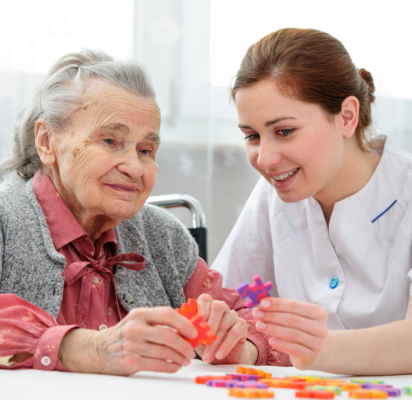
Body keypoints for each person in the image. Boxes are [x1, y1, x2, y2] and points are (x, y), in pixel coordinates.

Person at [212, 28, 412, 374]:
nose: (266, 159)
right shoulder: (275, 193)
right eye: (252, 136)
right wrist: (223, 336)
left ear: (347, 116)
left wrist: (310, 349)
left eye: (284, 131)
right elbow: (227, 301)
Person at [0, 49, 289, 374]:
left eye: (146, 150)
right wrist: (87, 349)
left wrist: (240, 346)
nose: (135, 168)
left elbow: (257, 323)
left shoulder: (163, 237)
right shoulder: (6, 219)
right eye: (110, 140)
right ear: (46, 141)